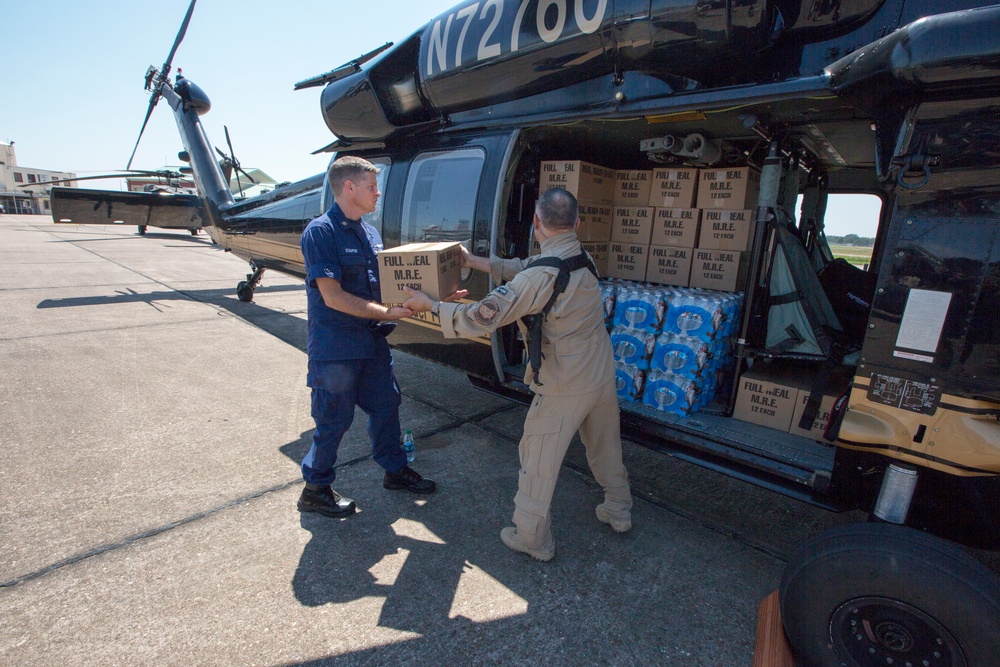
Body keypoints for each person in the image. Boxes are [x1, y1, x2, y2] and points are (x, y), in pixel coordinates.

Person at [402, 187, 632, 561]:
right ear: (577, 222)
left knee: (538, 458)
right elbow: (531, 268)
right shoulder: (581, 255)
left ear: (536, 223)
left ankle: (532, 537)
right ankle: (619, 510)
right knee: (606, 446)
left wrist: (430, 307)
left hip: (565, 381)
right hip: (599, 371)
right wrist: (477, 262)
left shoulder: (540, 275)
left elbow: (479, 318)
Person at [297, 155, 436, 519]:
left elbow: (387, 287)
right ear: (349, 188)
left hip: (371, 342)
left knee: (387, 405)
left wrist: (433, 298)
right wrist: (389, 313)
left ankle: (394, 471)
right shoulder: (321, 232)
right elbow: (333, 296)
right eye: (372, 187)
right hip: (336, 348)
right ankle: (315, 488)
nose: (378, 193)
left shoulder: (369, 233)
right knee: (334, 420)